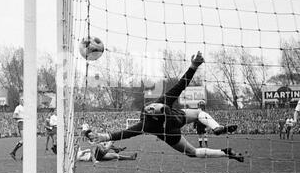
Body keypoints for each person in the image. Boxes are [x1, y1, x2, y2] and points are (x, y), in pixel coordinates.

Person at [86, 51, 244, 162]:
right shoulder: (164, 103)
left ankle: (225, 152)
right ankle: (217, 128)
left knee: (193, 152)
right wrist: (193, 67)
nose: (151, 106)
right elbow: (181, 85)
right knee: (197, 114)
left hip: (169, 134)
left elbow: (126, 133)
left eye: (151, 108)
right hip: (176, 120)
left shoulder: (146, 124)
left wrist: (104, 137)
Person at [10, 95, 24, 160]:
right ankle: (15, 153)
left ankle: (13, 152)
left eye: (24, 99)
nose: (23, 101)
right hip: (21, 123)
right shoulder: (18, 107)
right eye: (22, 99)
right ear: (20, 101)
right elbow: (14, 116)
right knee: (24, 140)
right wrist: (22, 117)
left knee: (25, 141)